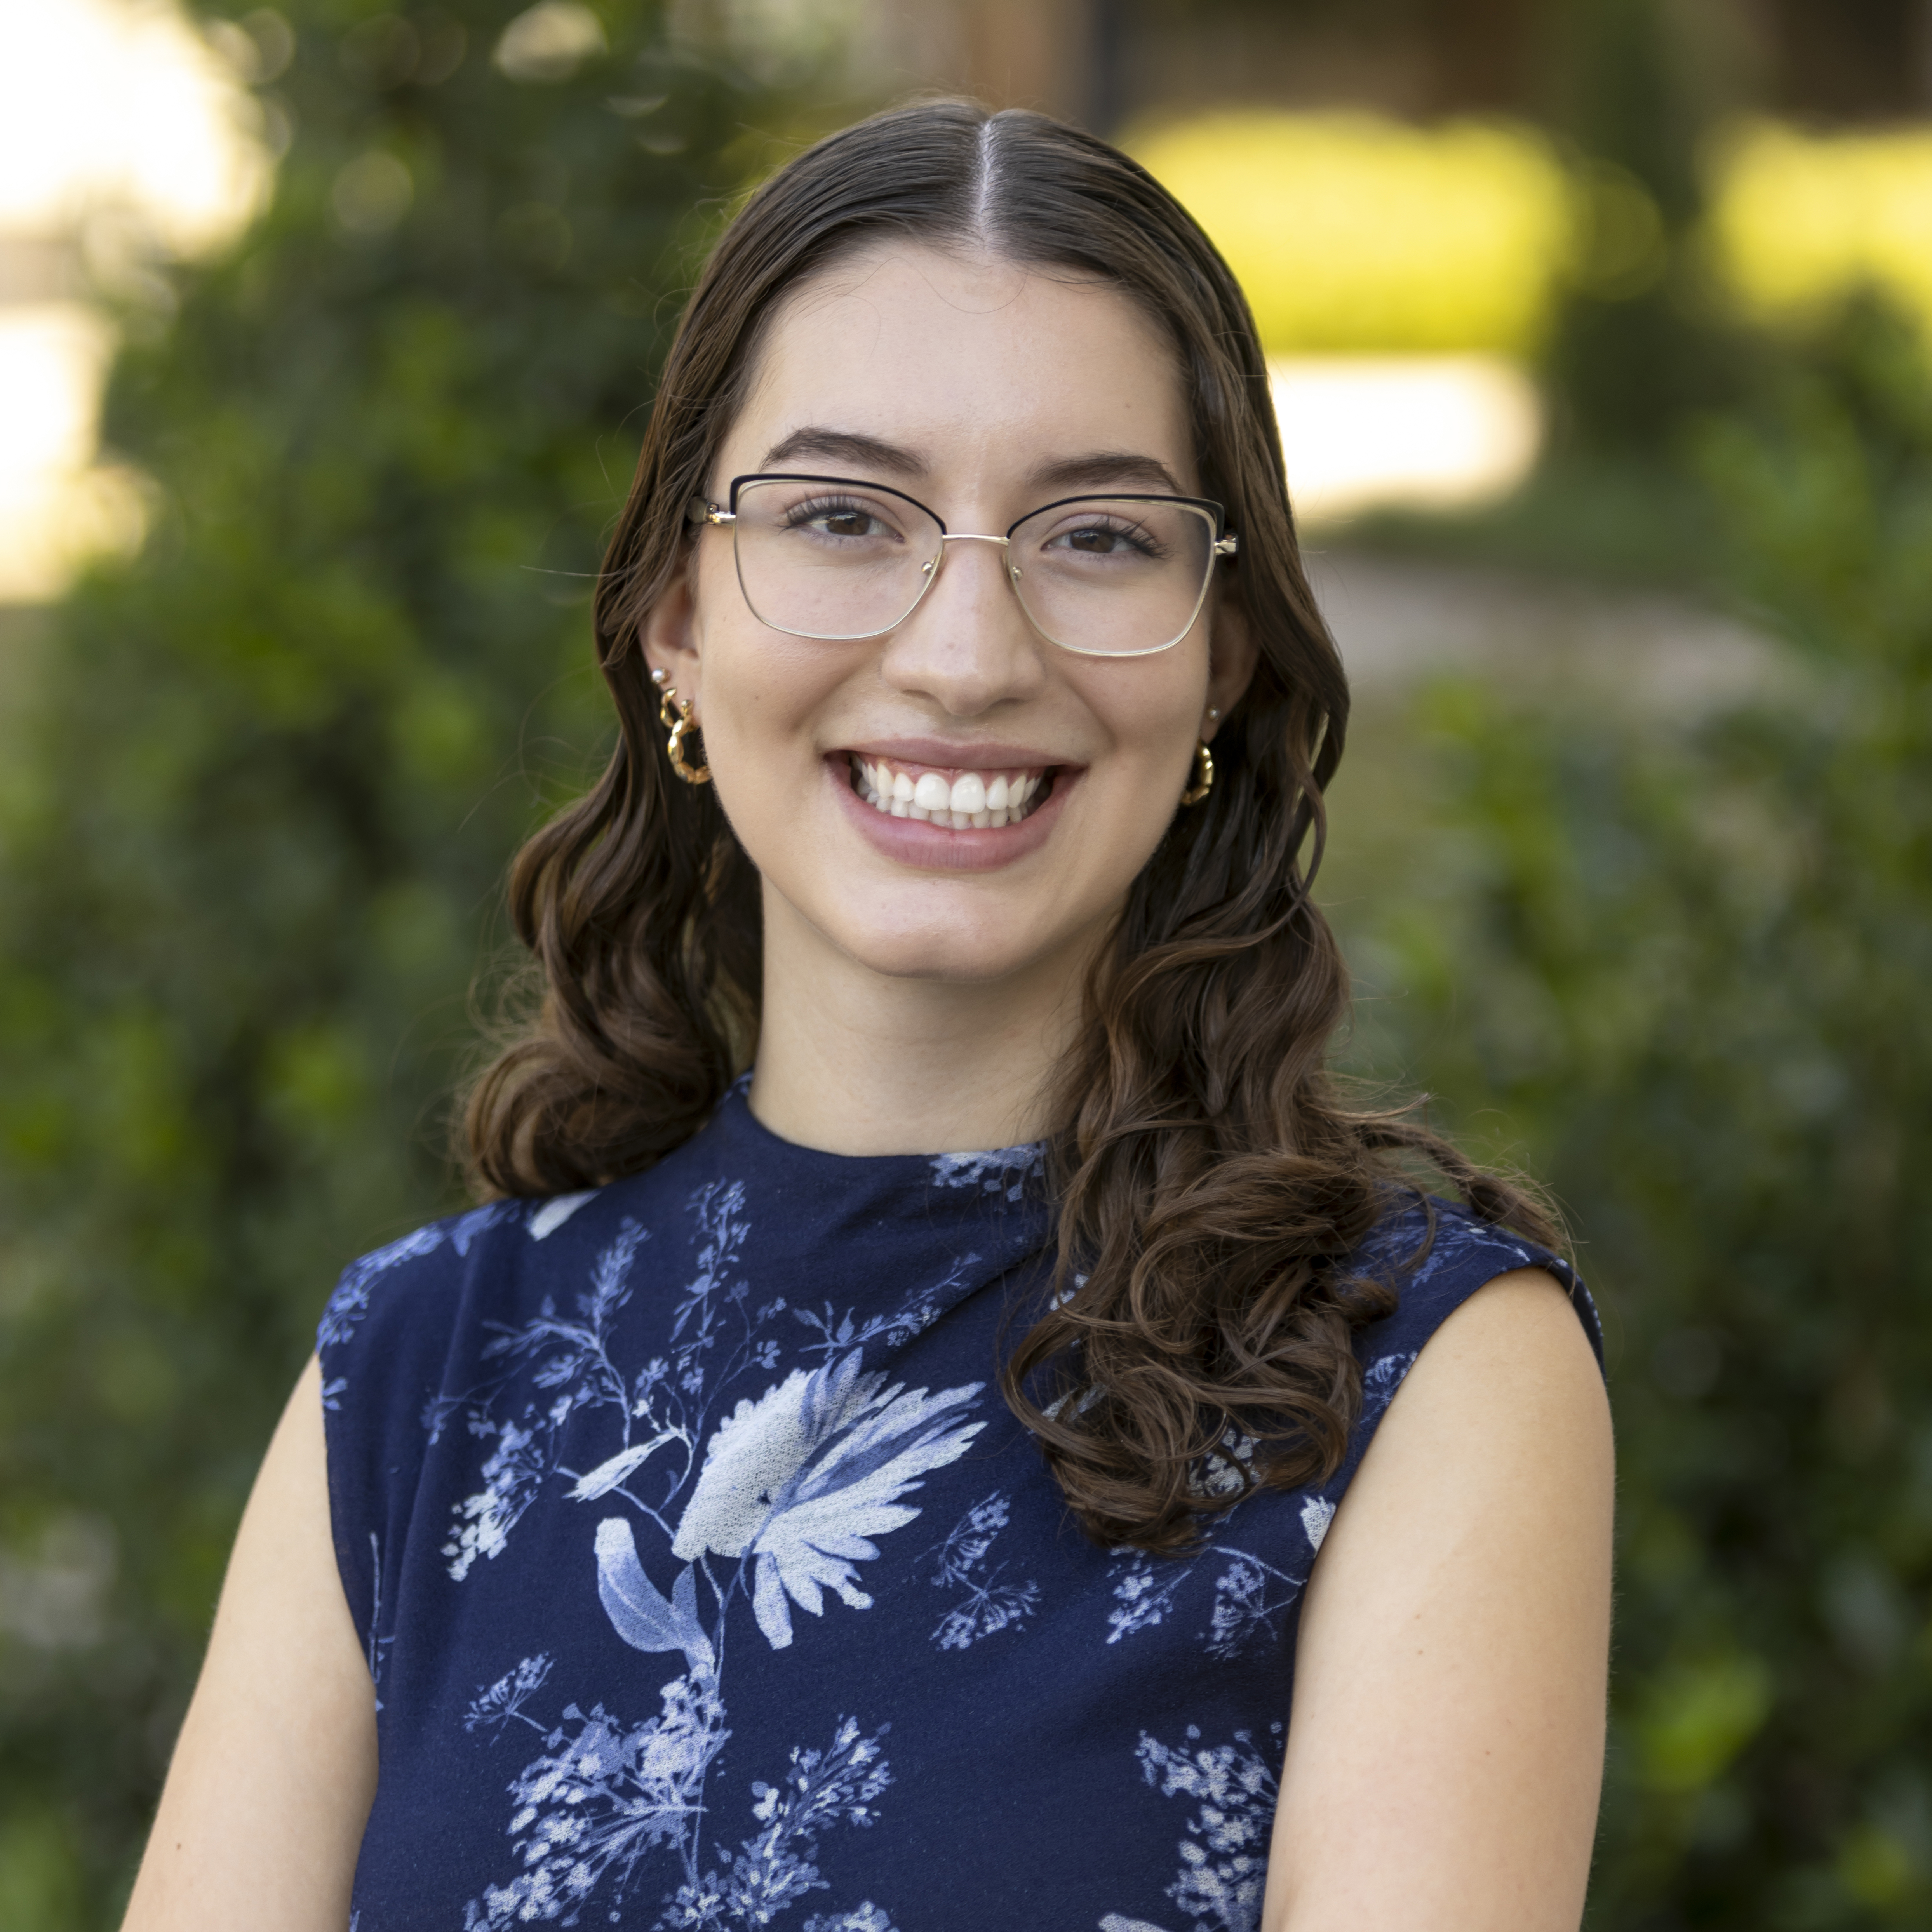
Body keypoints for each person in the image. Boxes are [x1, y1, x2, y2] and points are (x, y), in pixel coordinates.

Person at [122, 101, 1613, 1932]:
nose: (966, 653)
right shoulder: (420, 1369)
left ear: (1220, 651)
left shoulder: (1412, 1376)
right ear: (679, 613)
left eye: (1095, 536)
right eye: (841, 515)